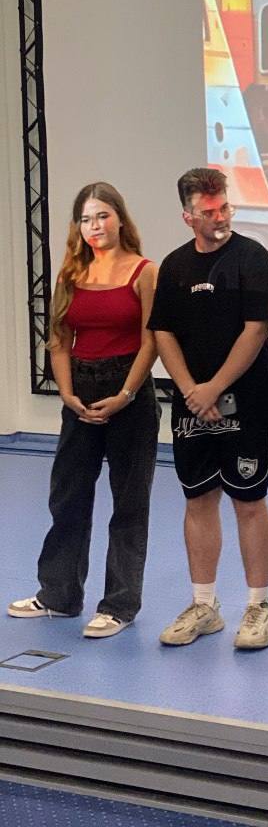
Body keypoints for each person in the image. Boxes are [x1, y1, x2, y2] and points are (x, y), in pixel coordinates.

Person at [8, 183, 158, 639]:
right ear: (78, 226)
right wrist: (68, 395)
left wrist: (125, 394)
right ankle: (59, 595)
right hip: (79, 392)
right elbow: (58, 339)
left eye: (103, 216)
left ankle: (119, 605)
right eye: (87, 219)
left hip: (129, 394)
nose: (95, 226)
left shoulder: (145, 272)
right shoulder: (70, 273)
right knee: (68, 495)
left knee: (129, 501)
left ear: (120, 218)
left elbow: (151, 341)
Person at [149, 167, 268, 651]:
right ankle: (204, 606)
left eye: (225, 207)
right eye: (209, 211)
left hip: (248, 405)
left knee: (249, 502)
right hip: (192, 407)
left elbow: (256, 330)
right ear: (188, 217)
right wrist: (190, 390)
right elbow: (162, 332)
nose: (221, 217)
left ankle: (259, 608)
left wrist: (214, 389)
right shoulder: (174, 266)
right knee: (198, 501)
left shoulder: (253, 258)